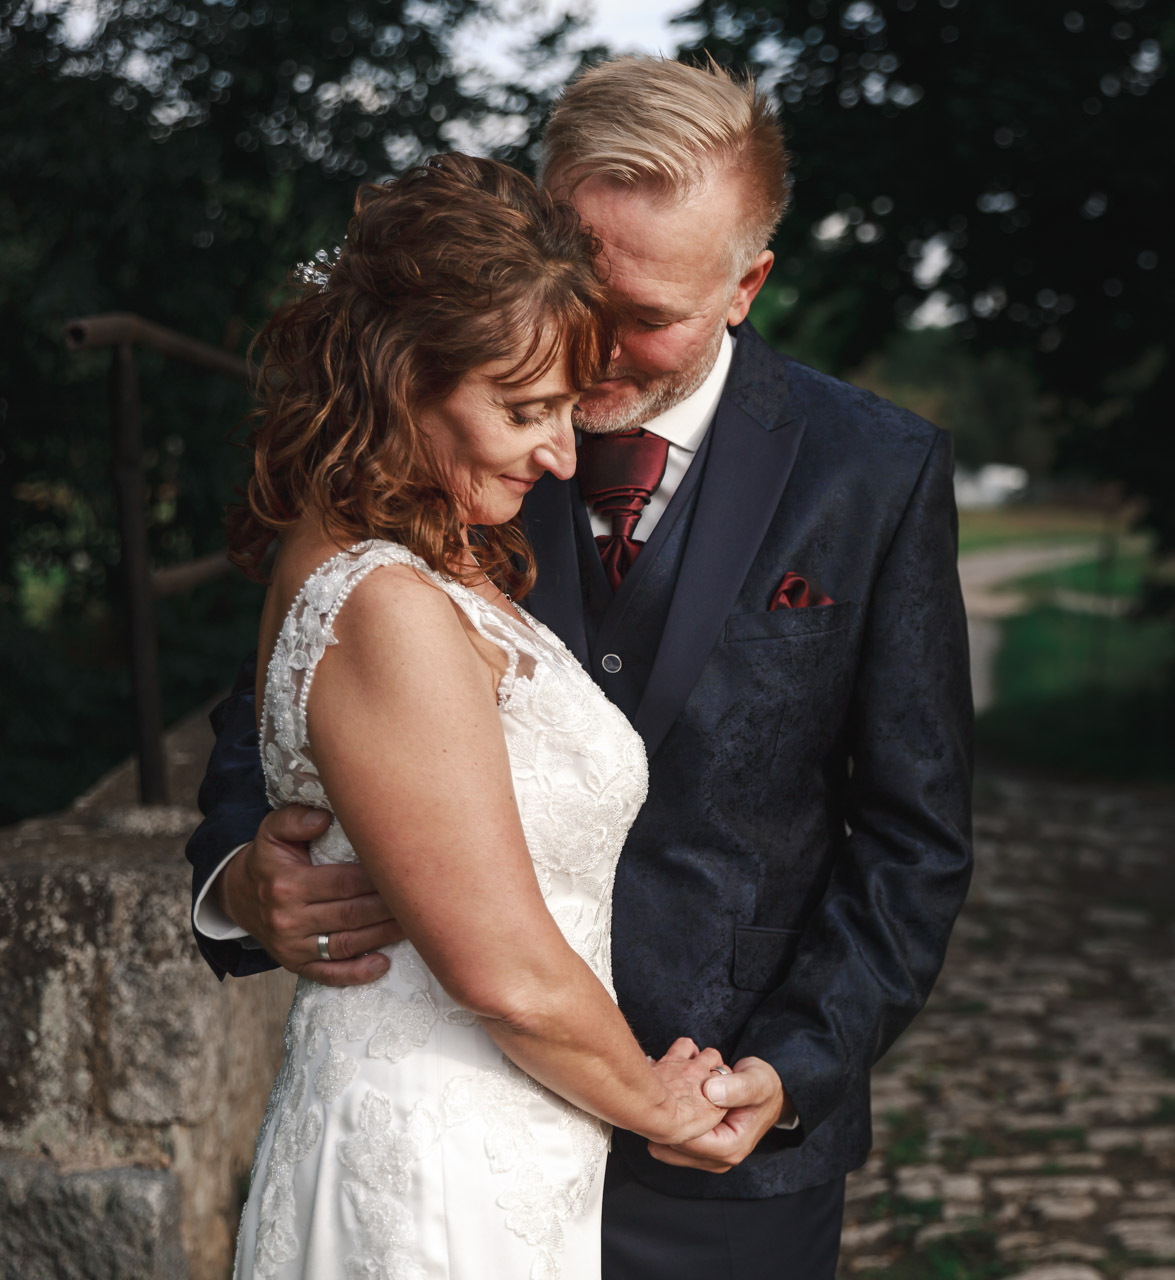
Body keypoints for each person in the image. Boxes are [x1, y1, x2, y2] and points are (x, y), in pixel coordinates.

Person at [187, 57, 975, 1280]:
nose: (591, 351)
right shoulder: (433, 437)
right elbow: (283, 685)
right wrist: (242, 877)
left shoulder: (872, 471)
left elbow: (913, 833)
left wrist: (790, 1068)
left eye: (646, 314)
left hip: (726, 1149)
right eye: (577, 289)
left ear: (746, 284)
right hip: (448, 1132)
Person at [220, 151, 732, 1278]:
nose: (561, 454)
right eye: (524, 411)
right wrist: (667, 1105)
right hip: (433, 1163)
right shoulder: (385, 602)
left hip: (505, 1135)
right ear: (405, 379)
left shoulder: (412, 553)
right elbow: (500, 967)